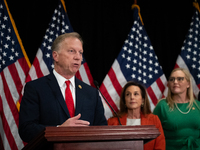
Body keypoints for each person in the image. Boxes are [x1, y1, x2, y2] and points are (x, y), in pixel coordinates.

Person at [19, 32, 107, 143]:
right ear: (55, 56)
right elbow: (26, 130)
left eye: (80, 53)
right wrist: (59, 130)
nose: (77, 57)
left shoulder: (91, 93)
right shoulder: (35, 88)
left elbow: (102, 130)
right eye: (71, 51)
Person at [107, 81, 165, 150]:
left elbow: (160, 146)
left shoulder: (153, 120)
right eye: (128, 94)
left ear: (143, 100)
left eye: (136, 94)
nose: (132, 97)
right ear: (124, 100)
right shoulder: (113, 122)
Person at [153, 68, 200, 150]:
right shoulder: (162, 106)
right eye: (172, 79)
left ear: (188, 84)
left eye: (180, 79)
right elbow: (153, 134)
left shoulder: (198, 105)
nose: (175, 82)